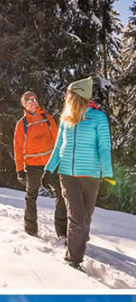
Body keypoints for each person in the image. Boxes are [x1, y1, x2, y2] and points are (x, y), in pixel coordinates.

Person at [44, 77, 113, 270]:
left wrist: (107, 175)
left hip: (91, 175)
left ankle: (79, 240)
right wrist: (49, 169)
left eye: (69, 95)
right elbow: (58, 146)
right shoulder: (66, 118)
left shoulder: (98, 117)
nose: (66, 98)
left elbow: (104, 147)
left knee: (86, 216)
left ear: (77, 96)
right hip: (67, 175)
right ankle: (73, 260)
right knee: (77, 217)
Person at [13, 91, 67, 238]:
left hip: (51, 165)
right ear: (24, 105)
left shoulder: (47, 118)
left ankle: (62, 231)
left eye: (35, 99)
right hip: (32, 166)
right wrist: (20, 169)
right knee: (31, 196)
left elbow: (58, 141)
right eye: (29, 100)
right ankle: (31, 230)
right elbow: (18, 148)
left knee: (61, 195)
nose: (33, 102)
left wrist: (61, 159)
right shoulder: (21, 124)